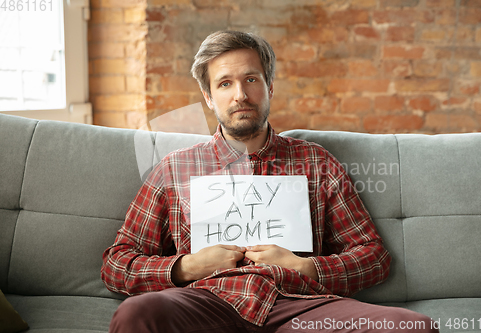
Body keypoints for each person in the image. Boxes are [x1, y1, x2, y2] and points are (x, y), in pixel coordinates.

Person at [101, 30, 439, 333]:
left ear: (270, 87)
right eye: (224, 84)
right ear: (208, 97)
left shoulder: (316, 162)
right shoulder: (175, 168)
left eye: (251, 80)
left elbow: (374, 257)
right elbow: (117, 262)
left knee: (410, 326)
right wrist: (186, 266)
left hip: (299, 305)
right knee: (137, 314)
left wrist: (306, 266)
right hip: (207, 303)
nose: (240, 95)